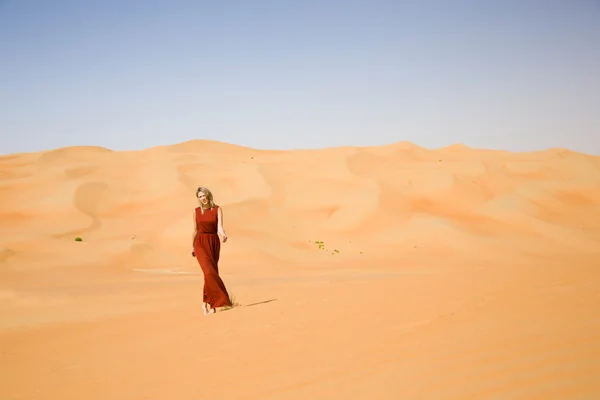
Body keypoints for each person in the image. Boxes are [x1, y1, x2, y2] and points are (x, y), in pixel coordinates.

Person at [191, 186, 232, 315]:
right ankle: (216, 301)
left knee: (211, 273)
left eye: (204, 195)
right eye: (200, 196)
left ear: (208, 195)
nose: (202, 198)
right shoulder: (196, 211)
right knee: (208, 271)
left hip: (213, 242)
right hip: (200, 243)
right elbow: (195, 230)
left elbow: (220, 226)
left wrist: (223, 234)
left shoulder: (217, 209)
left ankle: (207, 305)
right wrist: (192, 246)